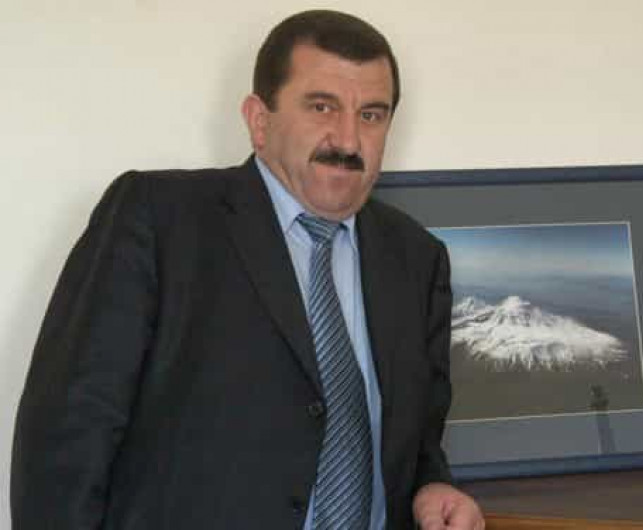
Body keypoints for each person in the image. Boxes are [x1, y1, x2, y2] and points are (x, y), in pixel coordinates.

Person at [11, 9, 484, 530]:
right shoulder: (159, 220)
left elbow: (418, 437)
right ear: (260, 120)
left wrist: (433, 485)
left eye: (371, 115)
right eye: (322, 107)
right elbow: (65, 443)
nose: (349, 141)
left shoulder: (416, 257)